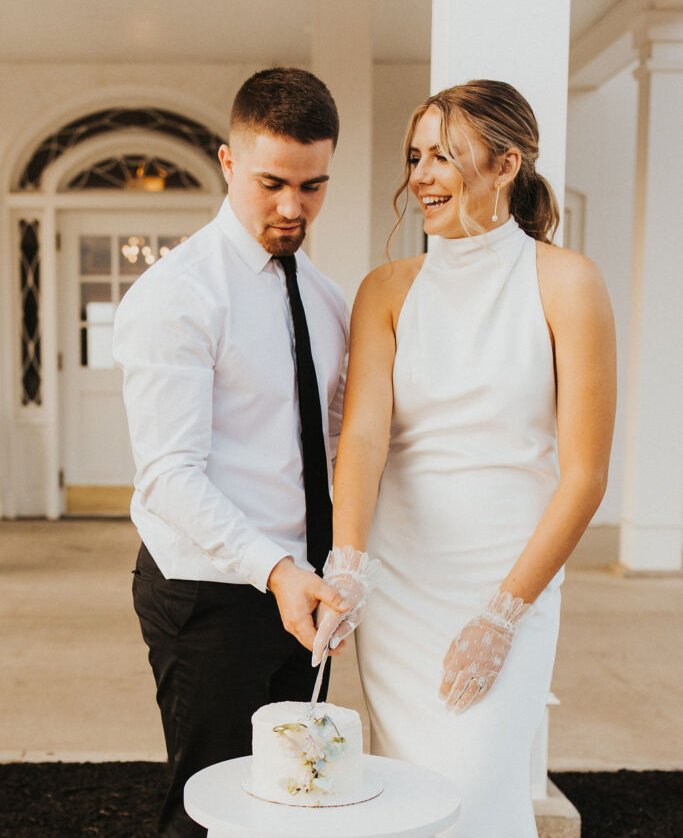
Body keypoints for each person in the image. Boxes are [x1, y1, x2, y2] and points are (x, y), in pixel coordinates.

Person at [314, 80, 616, 837]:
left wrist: (503, 614)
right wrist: (346, 562)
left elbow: (583, 475)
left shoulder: (566, 282)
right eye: (415, 155)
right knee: (406, 800)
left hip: (504, 580)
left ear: (505, 163)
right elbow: (362, 438)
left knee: (477, 792)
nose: (419, 174)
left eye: (443, 155)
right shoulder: (385, 289)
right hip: (400, 583)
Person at [113, 67, 351, 838]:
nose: (292, 206)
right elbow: (169, 475)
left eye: (312, 186)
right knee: (208, 811)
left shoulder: (324, 296)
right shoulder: (178, 294)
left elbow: (333, 442)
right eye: (271, 181)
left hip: (303, 592)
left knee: (289, 800)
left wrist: (323, 570)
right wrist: (276, 571)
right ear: (226, 162)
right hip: (210, 594)